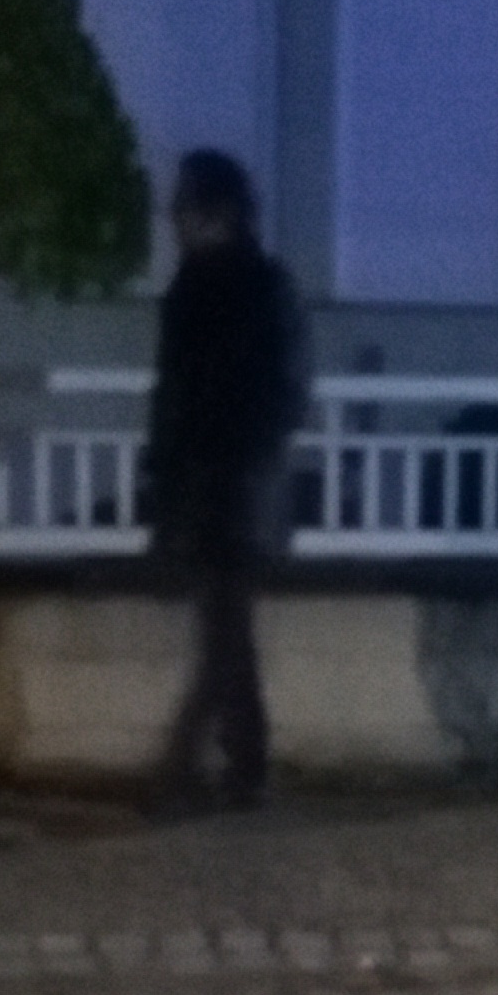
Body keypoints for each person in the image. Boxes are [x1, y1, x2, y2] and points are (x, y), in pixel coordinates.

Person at [143, 149, 305, 813]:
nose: (175, 218)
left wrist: (230, 454)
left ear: (222, 212)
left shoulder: (262, 287)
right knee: (228, 636)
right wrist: (165, 477)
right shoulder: (190, 290)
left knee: (223, 637)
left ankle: (187, 770)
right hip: (206, 489)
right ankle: (245, 768)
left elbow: (286, 394)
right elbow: (171, 399)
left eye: (186, 206)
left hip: (239, 489)